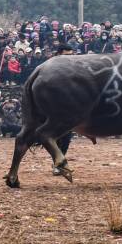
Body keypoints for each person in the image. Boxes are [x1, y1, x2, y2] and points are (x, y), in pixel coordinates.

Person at [53, 43, 74, 176]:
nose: (69, 58)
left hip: (69, 108)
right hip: (54, 108)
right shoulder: (51, 67)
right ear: (59, 54)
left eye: (71, 55)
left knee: (66, 137)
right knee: (53, 137)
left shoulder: (73, 68)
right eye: (66, 55)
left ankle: (59, 162)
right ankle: (57, 162)